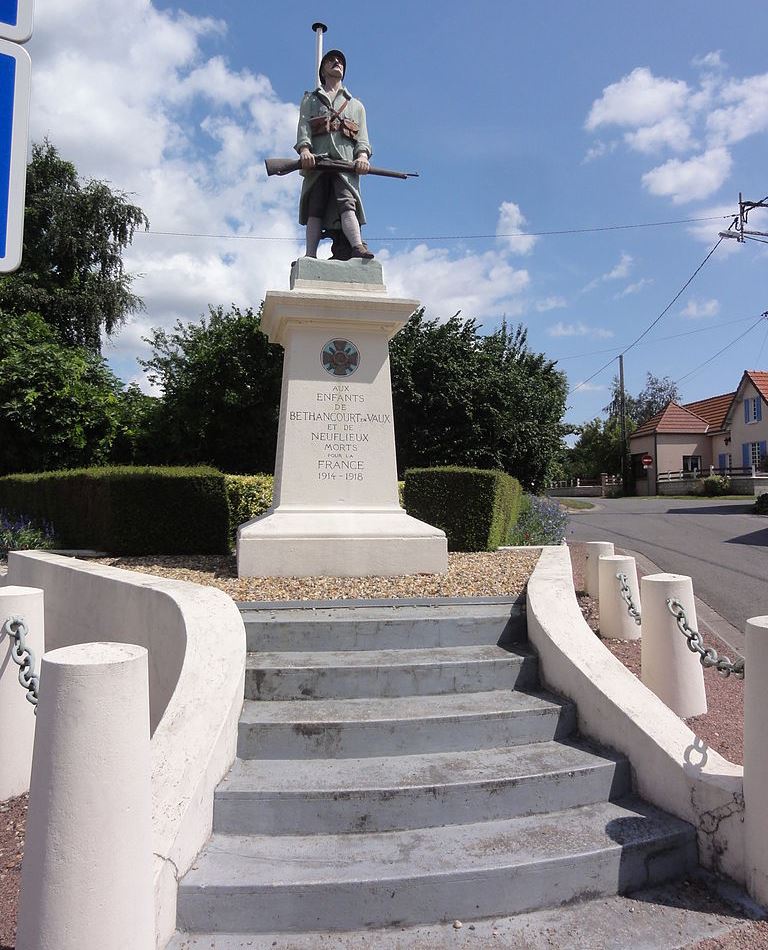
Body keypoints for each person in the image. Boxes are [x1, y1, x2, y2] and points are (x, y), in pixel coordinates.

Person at [295, 49, 374, 260]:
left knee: (347, 202)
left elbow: (363, 138)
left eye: (340, 61)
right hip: (318, 165)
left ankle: (357, 246)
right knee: (315, 207)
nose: (337, 62)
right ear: (322, 70)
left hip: (345, 166)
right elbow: (304, 129)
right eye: (331, 60)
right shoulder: (311, 100)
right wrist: (304, 150)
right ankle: (310, 255)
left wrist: (363, 157)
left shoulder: (356, 105)